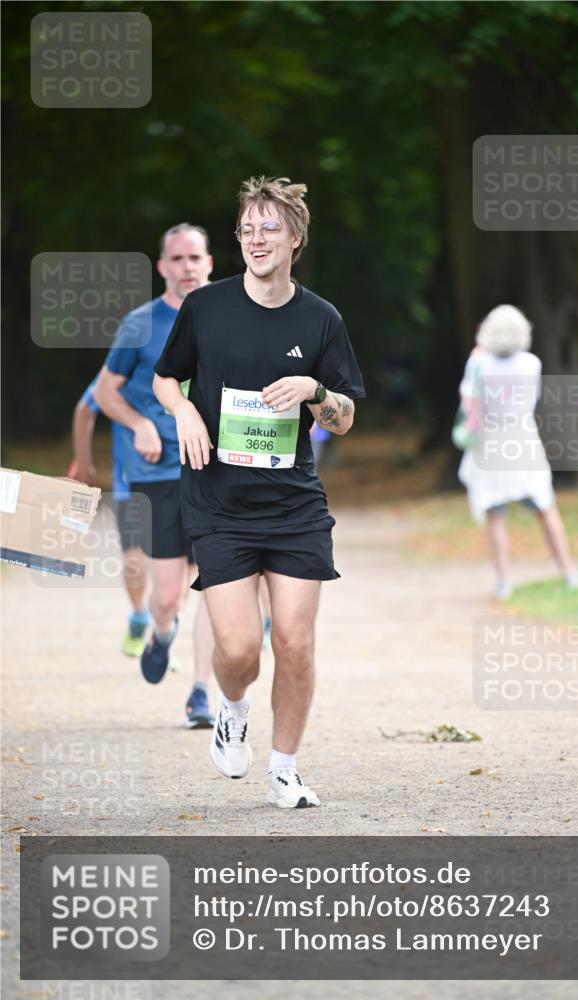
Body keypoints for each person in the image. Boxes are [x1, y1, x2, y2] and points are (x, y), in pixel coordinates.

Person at [153, 176, 365, 809]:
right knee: (239, 649)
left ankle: (284, 768)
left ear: (295, 238)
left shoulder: (321, 319)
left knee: (295, 641)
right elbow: (167, 379)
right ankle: (233, 706)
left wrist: (315, 393)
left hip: (294, 504)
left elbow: (346, 415)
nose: (256, 239)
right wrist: (186, 413)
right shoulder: (206, 308)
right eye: (247, 229)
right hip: (219, 502)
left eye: (269, 228)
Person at [95, 223, 216, 727]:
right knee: (167, 594)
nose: (187, 267)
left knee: (216, 584)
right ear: (162, 266)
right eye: (177, 259)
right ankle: (161, 632)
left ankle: (201, 694)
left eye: (196, 258)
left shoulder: (229, 314)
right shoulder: (139, 325)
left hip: (218, 470)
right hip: (161, 472)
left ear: (210, 263)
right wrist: (140, 422)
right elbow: (105, 392)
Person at [457, 304, 578, 600]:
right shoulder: (531, 363)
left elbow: (470, 404)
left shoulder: (479, 364)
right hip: (523, 440)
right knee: (545, 506)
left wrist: (477, 353)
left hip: (490, 444)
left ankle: (504, 581)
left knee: (495, 513)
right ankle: (569, 571)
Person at [68, 374, 149, 657]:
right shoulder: (122, 366)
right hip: (140, 481)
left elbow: (84, 410)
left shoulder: (125, 361)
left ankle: (146, 618)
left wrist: (83, 465)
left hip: (152, 480)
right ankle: (152, 620)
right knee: (142, 556)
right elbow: (86, 409)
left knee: (140, 555)